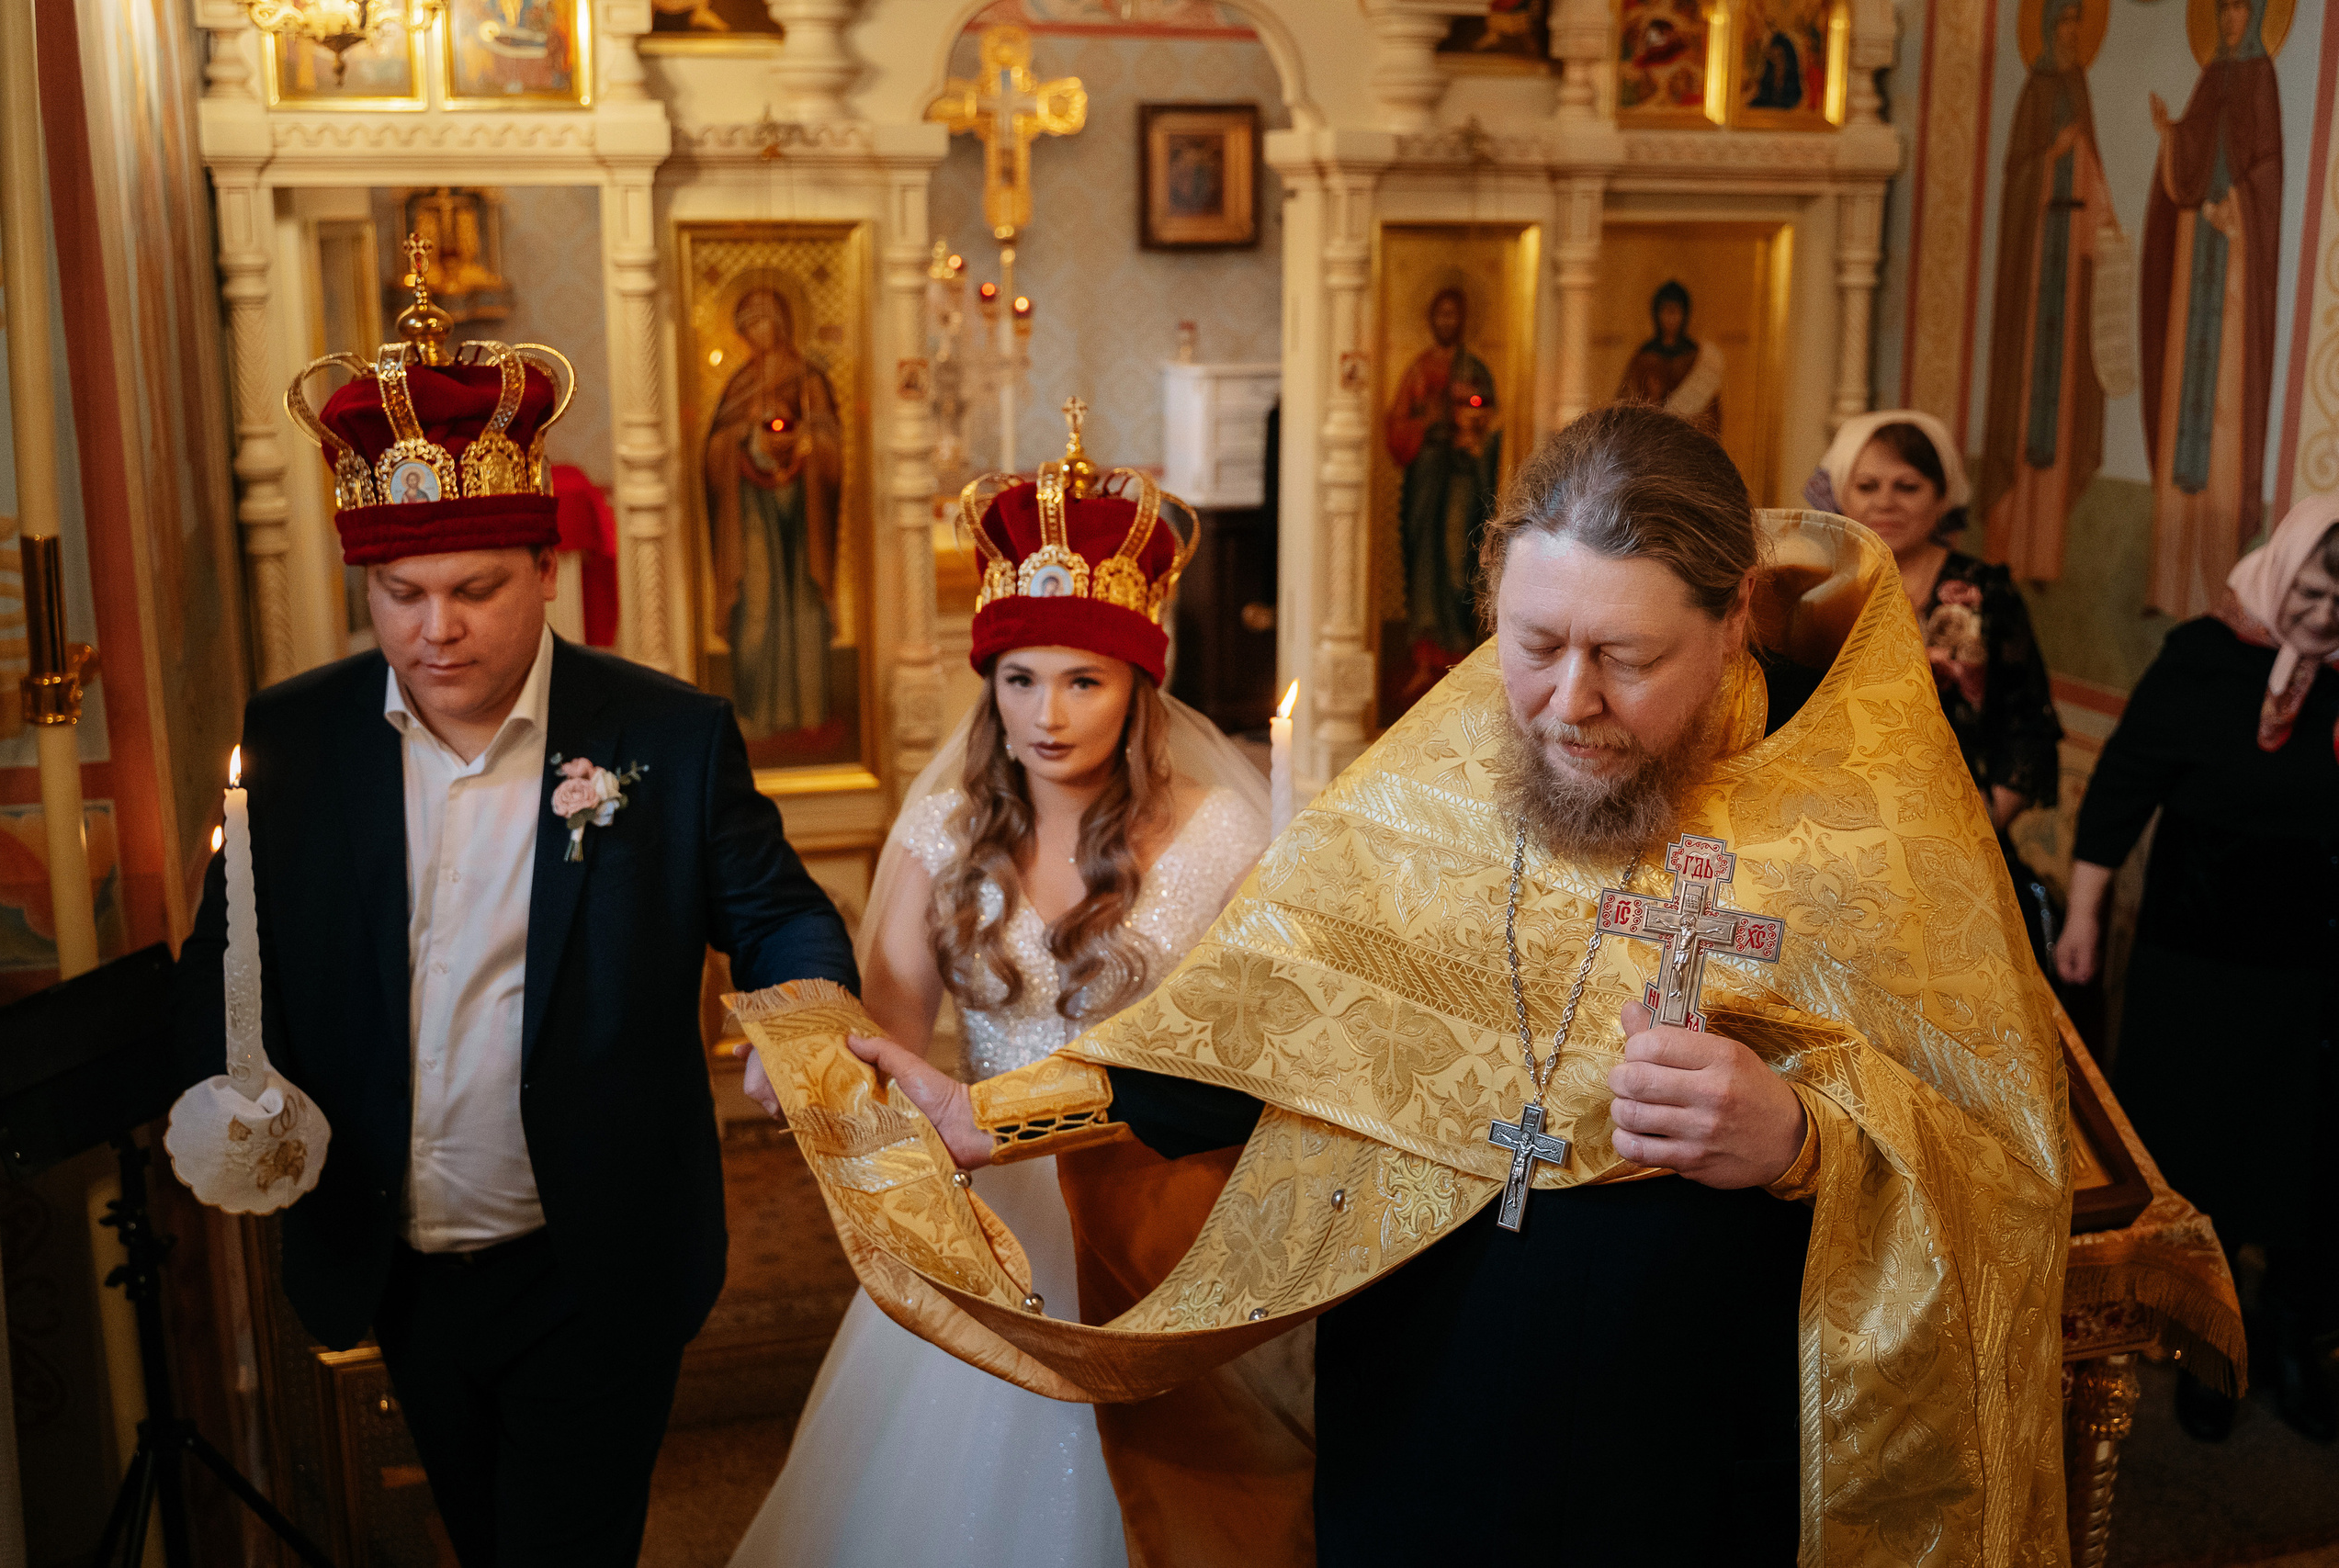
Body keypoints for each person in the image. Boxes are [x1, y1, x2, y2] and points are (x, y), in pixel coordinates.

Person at [740, 403, 2072, 1562]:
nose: (1567, 701)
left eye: (1629, 655)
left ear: (1731, 623)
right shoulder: (1439, 772)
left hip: (1693, 1445)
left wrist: (1798, 1138)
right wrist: (996, 1116)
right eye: (1534, 640)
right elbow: (1263, 1019)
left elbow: (2000, 1149)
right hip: (1423, 1409)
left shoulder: (1865, 810)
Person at [176, 256, 856, 1568]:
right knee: (484, 1529)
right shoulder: (299, 742)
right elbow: (228, 950)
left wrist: (806, 1018)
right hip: (396, 1249)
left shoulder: (666, 734)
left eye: (476, 589)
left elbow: (777, 910)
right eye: (401, 595)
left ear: (549, 567)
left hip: (593, 1255)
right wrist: (218, 1077)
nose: (436, 631)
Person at [731, 410, 1310, 1568]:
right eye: (1019, 678)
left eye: (1084, 680)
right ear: (988, 681)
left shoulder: (1224, 836)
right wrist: (805, 1063)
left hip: (1156, 1222)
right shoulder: (945, 827)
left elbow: (1260, 1057)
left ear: (1138, 683)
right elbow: (885, 1033)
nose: (1047, 715)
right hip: (981, 1222)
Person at [2057, 494, 2339, 1444]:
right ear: (2281, 566)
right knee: (2198, 1151)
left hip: (2313, 967)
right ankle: (2204, 1341)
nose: (2325, 616)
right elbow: (2124, 783)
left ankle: (2293, 1338)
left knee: (2303, 1156)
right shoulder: (2202, 657)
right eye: (2312, 590)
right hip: (2196, 961)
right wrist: (2085, 913)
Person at [1808, 412, 2063, 959]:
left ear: (1943, 492)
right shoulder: (1815, 589)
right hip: (1833, 848)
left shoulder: (1983, 591)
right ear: (1840, 492)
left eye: (1908, 486)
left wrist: (1982, 819)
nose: (1886, 503)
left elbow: (2028, 724)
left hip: (1960, 846)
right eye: (1868, 485)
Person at [2140, 0, 2282, 618]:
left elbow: (2267, 171)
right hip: (2195, 258)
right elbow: (2195, 152)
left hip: (2234, 264)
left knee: (2222, 418)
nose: (2228, 21)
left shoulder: (2262, 80)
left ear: (2254, 17)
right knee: (2181, 420)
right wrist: (2174, 135)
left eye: (2238, 10)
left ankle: (2214, 592)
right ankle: (2168, 588)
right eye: (2221, 10)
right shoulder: (2211, 80)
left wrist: (2238, 213)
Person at [1980, 0, 2120, 581]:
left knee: (2063, 410)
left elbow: (2093, 167)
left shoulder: (2079, 86)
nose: (2068, 34)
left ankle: (2045, 560)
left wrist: (2105, 221)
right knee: (2027, 410)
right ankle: (2010, 549)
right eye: (2061, 23)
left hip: (2071, 276)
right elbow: (2017, 174)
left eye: (2074, 25)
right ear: (2044, 28)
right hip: (2038, 272)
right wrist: (2049, 159)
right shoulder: (2036, 90)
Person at [705, 287, 843, 739]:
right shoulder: (740, 384)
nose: (752, 333)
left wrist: (805, 441)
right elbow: (713, 453)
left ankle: (807, 713)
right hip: (750, 515)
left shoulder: (810, 379)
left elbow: (832, 450)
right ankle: (754, 715)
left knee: (802, 603)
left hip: (805, 518)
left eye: (759, 321)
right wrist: (746, 435)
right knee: (758, 602)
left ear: (781, 322)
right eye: (744, 325)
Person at [1384, 285, 1501, 714]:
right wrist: (1426, 420)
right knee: (1424, 563)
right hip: (1425, 479)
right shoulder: (1417, 370)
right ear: (1432, 320)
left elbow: (1495, 422)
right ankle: (1425, 659)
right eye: (1442, 315)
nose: (1448, 322)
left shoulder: (1476, 369)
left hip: (1462, 480)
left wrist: (1472, 428)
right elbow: (1396, 425)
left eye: (1455, 315)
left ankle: (1460, 656)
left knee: (1457, 560)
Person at [1615, 278, 1722, 437]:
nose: (1671, 319)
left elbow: (1711, 412)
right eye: (1666, 311)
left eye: (1676, 312)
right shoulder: (1645, 356)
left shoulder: (1696, 357)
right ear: (1657, 314)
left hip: (1688, 437)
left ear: (1685, 315)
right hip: (1651, 436)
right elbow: (1626, 402)